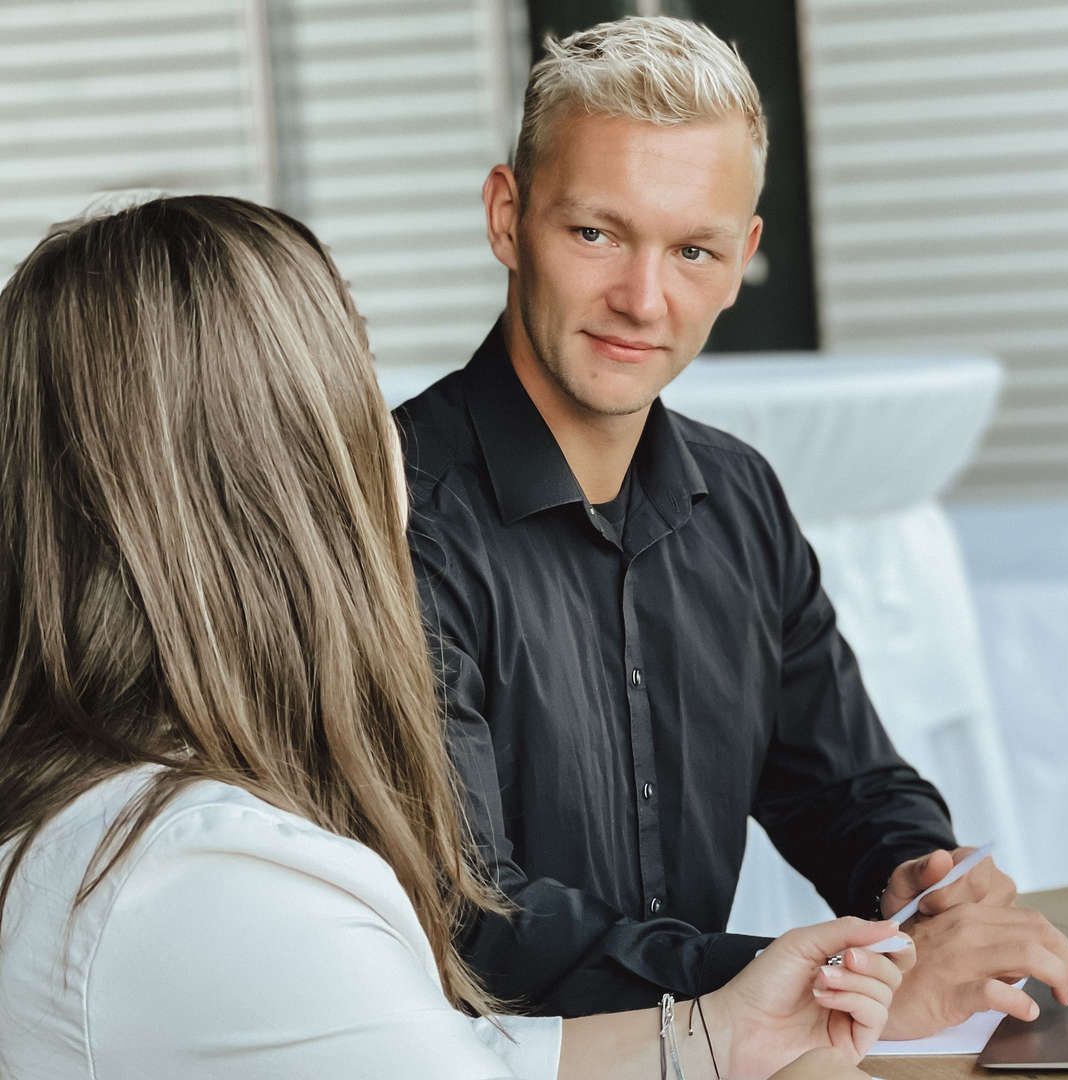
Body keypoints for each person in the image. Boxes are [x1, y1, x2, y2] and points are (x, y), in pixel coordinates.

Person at [0, 195, 910, 1080]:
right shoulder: (221, 885)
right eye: (358, 386)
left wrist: (716, 1038)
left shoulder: (119, 822)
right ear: (294, 490)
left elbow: (444, 1058)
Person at [396, 14, 1068, 1037]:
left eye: (694, 250)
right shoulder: (392, 513)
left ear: (744, 257)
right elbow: (471, 919)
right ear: (507, 216)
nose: (643, 298)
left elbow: (845, 779)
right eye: (597, 233)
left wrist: (911, 870)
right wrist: (829, 980)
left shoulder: (740, 495)